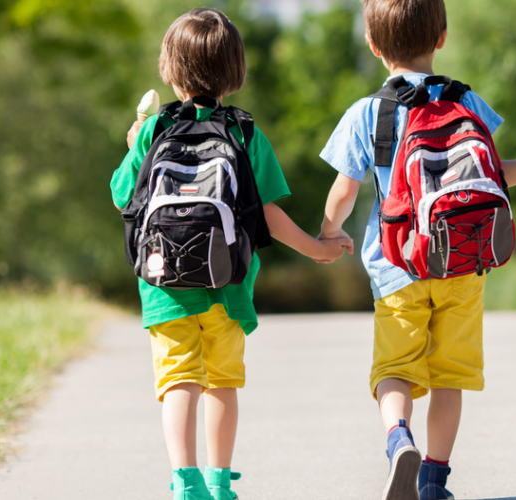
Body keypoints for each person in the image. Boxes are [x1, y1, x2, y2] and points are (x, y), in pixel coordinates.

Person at [317, 1, 516, 499]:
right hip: (461, 261)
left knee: (394, 371)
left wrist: (329, 234)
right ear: (442, 37)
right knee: (448, 377)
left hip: (398, 266)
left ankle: (398, 440)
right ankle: (434, 481)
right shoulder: (466, 102)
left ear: (372, 45)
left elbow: (344, 192)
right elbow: (495, 177)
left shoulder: (368, 112)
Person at [112, 8, 352, 500]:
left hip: (165, 288)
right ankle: (220, 483)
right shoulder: (244, 134)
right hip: (229, 287)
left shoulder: (155, 131)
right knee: (221, 383)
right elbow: (266, 215)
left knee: (179, 382)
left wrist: (134, 143)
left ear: (168, 68)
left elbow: (122, 196)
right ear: (236, 72)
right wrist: (317, 248)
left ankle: (185, 482)